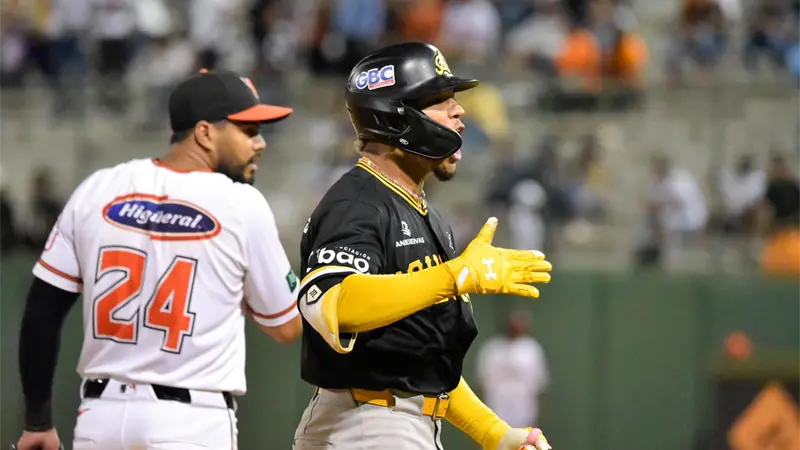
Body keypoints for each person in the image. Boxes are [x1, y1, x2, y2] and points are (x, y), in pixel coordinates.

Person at [15, 69, 303, 450]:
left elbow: (41, 313)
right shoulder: (240, 203)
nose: (260, 143)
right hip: (191, 422)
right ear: (204, 133)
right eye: (248, 131)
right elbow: (286, 326)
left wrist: (38, 420)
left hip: (100, 419)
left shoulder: (97, 188)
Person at [292, 42, 554, 450]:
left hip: (399, 421)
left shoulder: (424, 215)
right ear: (396, 118)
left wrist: (495, 433)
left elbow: (424, 365)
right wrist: (454, 276)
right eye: (439, 100)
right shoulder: (359, 202)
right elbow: (335, 303)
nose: (459, 111)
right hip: (366, 423)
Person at [476, 310, 549, 428]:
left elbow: (538, 384)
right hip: (496, 406)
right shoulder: (492, 348)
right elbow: (482, 382)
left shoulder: (532, 349)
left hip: (523, 408)